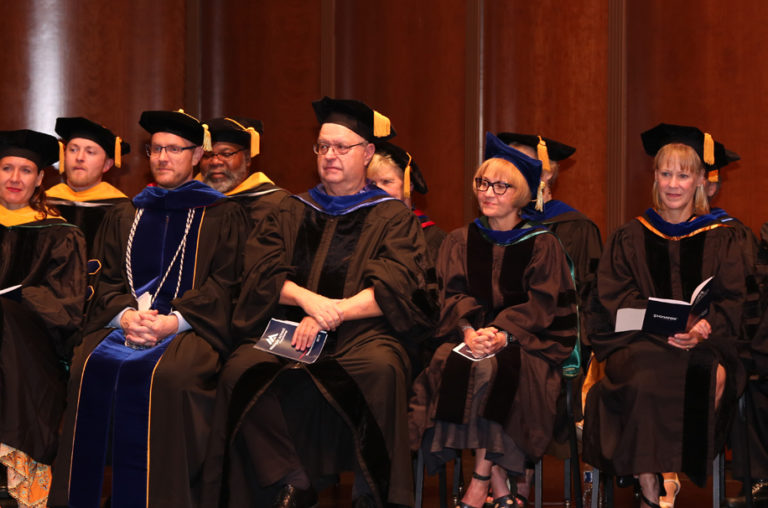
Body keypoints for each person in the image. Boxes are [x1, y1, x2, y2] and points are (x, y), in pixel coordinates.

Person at [201, 97, 435, 508]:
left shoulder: (392, 216)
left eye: (341, 147)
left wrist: (334, 313)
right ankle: (289, 478)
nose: (329, 155)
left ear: (366, 153)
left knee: (381, 369)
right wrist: (310, 303)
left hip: (362, 332)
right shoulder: (289, 209)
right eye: (323, 146)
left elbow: (399, 285)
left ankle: (369, 496)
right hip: (293, 326)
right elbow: (260, 273)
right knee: (240, 369)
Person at [49, 109, 248, 508]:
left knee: (172, 375)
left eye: (174, 149)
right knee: (89, 363)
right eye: (156, 148)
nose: (162, 157)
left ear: (196, 157)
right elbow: (102, 279)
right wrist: (124, 316)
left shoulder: (222, 214)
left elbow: (226, 285)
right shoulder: (127, 213)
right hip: (126, 324)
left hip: (187, 330)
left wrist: (173, 323)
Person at [409, 132, 578, 508]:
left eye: (501, 186)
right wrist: (469, 330)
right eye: (483, 183)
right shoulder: (459, 240)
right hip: (469, 338)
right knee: (448, 363)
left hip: (529, 344)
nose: (489, 192)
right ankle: (500, 487)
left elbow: (545, 305)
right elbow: (449, 294)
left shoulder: (542, 243)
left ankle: (479, 480)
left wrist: (503, 334)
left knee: (492, 371)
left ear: (520, 194)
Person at [583, 123, 747, 508]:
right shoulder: (629, 236)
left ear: (701, 182)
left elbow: (733, 300)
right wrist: (671, 323)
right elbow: (614, 301)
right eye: (666, 173)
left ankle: (668, 474)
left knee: (709, 374)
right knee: (642, 376)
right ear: (655, 177)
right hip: (639, 341)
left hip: (703, 343)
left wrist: (704, 327)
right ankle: (650, 485)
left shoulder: (723, 237)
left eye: (684, 174)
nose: (674, 184)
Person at [497, 132, 602, 501]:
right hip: (500, 338)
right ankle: (501, 481)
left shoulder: (575, 228)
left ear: (545, 175)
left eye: (526, 166)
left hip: (559, 342)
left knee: (524, 367)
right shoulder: (491, 226)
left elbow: (589, 301)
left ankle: (515, 482)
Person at [0, 129, 86, 507]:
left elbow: (67, 310)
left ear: (39, 179)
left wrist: (20, 294)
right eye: (6, 168)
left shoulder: (61, 235)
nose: (14, 178)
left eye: (25, 170)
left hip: (35, 351)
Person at [47, 116, 131, 254]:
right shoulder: (44, 204)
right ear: (64, 156)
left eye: (90, 152)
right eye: (73, 150)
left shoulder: (121, 210)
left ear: (107, 165)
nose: (79, 158)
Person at [198, 117, 288, 228]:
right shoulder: (189, 200)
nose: (215, 162)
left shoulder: (276, 206)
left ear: (247, 158)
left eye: (226, 154)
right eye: (207, 156)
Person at [368, 141, 446, 262]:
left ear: (408, 185)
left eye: (386, 182)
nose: (378, 189)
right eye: (372, 183)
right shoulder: (363, 233)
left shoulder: (432, 238)